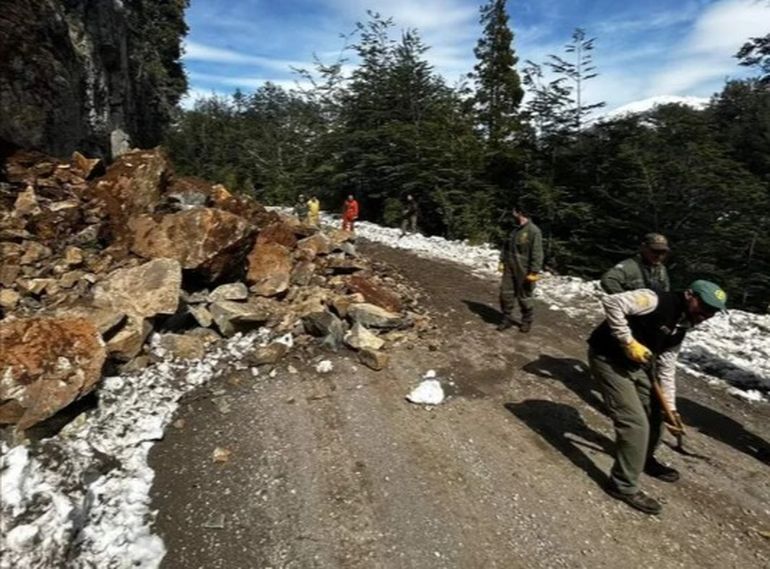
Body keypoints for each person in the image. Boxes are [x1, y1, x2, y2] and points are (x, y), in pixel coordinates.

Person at [587, 280, 727, 515]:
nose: (706, 315)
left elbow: (666, 367)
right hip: (608, 359)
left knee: (656, 416)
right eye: (703, 307)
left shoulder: (683, 324)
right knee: (634, 423)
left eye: (712, 312)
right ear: (689, 294)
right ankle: (622, 485)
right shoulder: (655, 300)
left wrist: (670, 409)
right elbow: (612, 302)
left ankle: (643, 458)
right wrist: (628, 342)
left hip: (639, 366)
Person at [497, 204, 544, 333]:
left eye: (513, 211)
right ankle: (506, 318)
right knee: (505, 293)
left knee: (525, 296)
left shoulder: (533, 231)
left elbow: (537, 252)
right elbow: (506, 246)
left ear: (519, 213)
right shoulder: (514, 229)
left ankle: (526, 321)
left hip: (524, 270)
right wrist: (502, 260)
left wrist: (534, 271)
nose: (512, 214)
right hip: (509, 266)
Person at [601, 233, 671, 294]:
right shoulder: (629, 267)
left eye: (663, 252)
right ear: (644, 248)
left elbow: (665, 290)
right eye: (655, 251)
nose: (659, 256)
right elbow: (609, 279)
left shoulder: (661, 269)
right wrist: (624, 299)